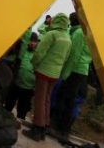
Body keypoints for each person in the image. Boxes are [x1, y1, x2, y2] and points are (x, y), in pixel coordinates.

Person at [22, 12, 72, 142]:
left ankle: (37, 129)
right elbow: (66, 58)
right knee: (47, 99)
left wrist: (34, 64)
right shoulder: (67, 38)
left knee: (39, 99)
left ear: (56, 21)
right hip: (55, 74)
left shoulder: (51, 34)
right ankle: (44, 126)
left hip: (44, 72)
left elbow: (39, 53)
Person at [53, 11, 93, 140]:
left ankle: (60, 129)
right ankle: (63, 129)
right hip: (82, 71)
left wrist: (65, 74)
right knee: (69, 100)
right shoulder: (88, 33)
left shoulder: (79, 33)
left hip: (74, 70)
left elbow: (74, 55)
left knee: (64, 98)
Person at [5, 32, 39, 122]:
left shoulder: (38, 54)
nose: (32, 43)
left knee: (22, 112)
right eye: (30, 40)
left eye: (34, 41)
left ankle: (19, 123)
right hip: (15, 84)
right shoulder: (21, 51)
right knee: (7, 107)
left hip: (28, 88)